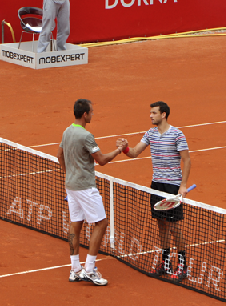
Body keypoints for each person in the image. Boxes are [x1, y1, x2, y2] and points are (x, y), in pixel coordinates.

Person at [120, 102, 191, 282]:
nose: (150, 116)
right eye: (150, 113)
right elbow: (135, 152)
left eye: (154, 113)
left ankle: (183, 266)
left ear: (164, 114)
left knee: (174, 226)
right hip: (156, 185)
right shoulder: (150, 134)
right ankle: (166, 262)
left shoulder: (177, 134)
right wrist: (125, 148)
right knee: (161, 224)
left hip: (172, 187)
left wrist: (183, 185)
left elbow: (187, 160)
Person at [57, 99, 126, 286]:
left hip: (71, 186)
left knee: (75, 225)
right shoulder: (86, 136)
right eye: (92, 112)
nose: (93, 114)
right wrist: (119, 150)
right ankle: (89, 269)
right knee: (101, 223)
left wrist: (69, 175)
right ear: (85, 114)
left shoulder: (67, 131)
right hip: (85, 187)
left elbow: (59, 155)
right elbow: (102, 160)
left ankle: (74, 269)